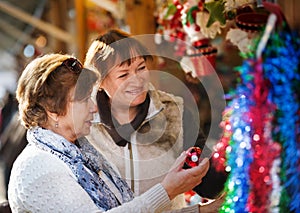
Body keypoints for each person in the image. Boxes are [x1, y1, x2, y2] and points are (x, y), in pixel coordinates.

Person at [7, 53, 210, 213]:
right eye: (83, 99)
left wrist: (204, 210)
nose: (93, 107)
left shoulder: (83, 156)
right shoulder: (39, 167)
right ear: (52, 111)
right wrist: (168, 190)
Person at [84, 29, 227, 210]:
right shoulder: (84, 125)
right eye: (123, 74)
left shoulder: (174, 113)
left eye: (141, 68)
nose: (137, 80)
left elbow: (208, 183)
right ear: (100, 82)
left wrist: (229, 153)